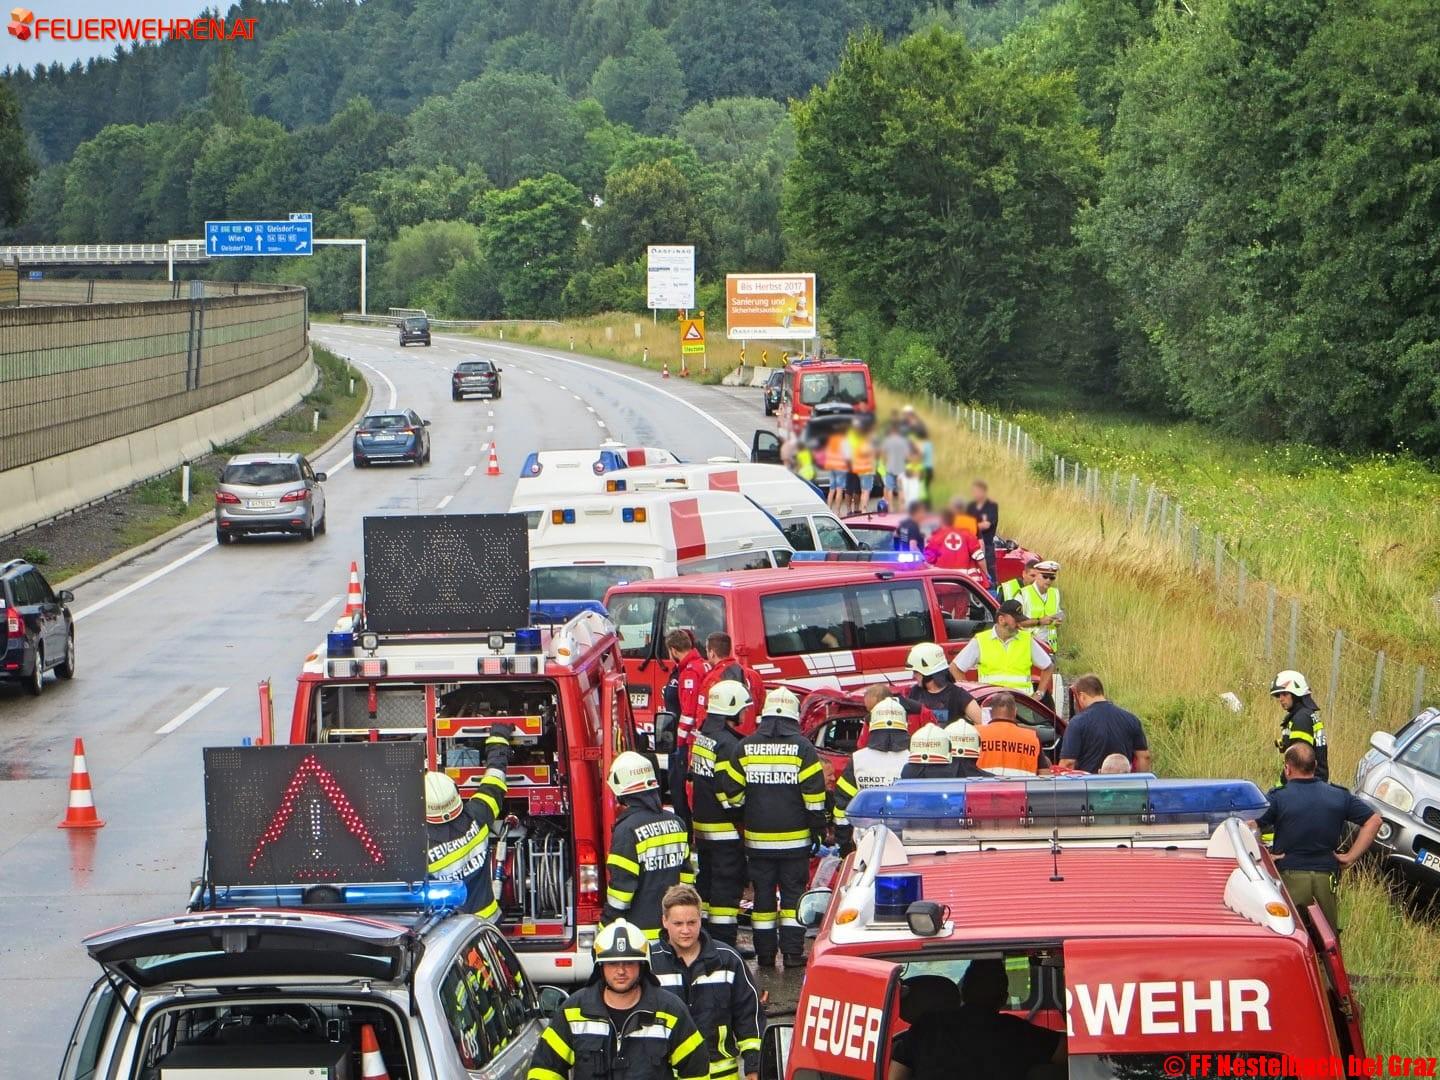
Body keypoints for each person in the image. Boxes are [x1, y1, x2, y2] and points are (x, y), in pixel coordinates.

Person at [716, 687, 827, 969]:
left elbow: (732, 793)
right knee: (792, 899)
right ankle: (791, 954)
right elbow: (814, 798)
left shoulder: (745, 747)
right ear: (793, 716)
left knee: (763, 900)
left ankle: (765, 956)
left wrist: (746, 815)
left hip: (757, 843)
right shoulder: (803, 749)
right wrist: (818, 830)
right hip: (796, 844)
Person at [526, 919, 710, 1080]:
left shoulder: (670, 1011)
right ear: (600, 967)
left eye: (629, 963)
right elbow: (544, 1069)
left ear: (642, 966)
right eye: (613, 963)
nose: (621, 971)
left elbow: (696, 1071)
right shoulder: (573, 1012)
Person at [1256, 744, 1380, 932]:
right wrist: (1349, 857)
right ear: (1314, 766)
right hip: (1325, 879)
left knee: (1289, 934)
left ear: (1287, 769)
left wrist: (1265, 855)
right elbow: (1374, 821)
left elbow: (1250, 825)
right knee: (1326, 942)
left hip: (1290, 879)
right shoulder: (1339, 796)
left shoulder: (1278, 798)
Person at [651, 885, 763, 1080]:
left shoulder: (728, 960)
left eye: (691, 922)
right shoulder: (649, 964)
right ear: (664, 922)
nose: (686, 930)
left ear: (700, 920)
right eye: (678, 923)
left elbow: (748, 1016)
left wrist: (754, 1066)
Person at [889, 959, 1065, 1080]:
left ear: (963, 991)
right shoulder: (1018, 1032)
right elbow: (1069, 1054)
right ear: (1003, 998)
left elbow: (895, 1076)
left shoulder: (925, 1027)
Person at [425, 723, 514, 919]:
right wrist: (499, 738)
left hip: (449, 932)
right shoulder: (479, 814)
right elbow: (494, 781)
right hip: (487, 923)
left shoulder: (419, 847)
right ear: (457, 792)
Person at [605, 751, 695, 940]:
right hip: (672, 933)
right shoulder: (676, 822)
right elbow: (686, 876)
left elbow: (621, 892)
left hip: (639, 934)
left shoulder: (627, 830)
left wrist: (606, 925)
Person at [686, 681, 749, 946]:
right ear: (732, 709)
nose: (746, 714)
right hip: (724, 830)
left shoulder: (705, 736)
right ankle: (724, 944)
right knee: (726, 887)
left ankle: (707, 939)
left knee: (708, 885)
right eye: (744, 708)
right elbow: (728, 791)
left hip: (703, 826)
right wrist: (742, 815)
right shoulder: (727, 744)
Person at [833, 698, 911, 851]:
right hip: (906, 841)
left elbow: (842, 804)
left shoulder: (858, 759)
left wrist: (843, 843)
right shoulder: (913, 758)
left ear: (872, 726)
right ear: (905, 726)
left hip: (865, 843)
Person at [951, 600, 1053, 697]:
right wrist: (970, 696)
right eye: (1016, 620)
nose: (1019, 624)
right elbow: (955, 668)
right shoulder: (981, 640)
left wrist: (1039, 693)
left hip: (1022, 705)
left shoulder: (1027, 639)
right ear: (1001, 619)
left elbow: (1048, 666)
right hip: (991, 703)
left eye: (1020, 620)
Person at [1057, 674, 1151, 774]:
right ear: (1101, 693)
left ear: (1082, 696)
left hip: (1088, 786)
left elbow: (1068, 763)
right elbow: (1144, 757)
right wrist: (1139, 782)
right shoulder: (1131, 719)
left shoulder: (1077, 722)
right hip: (1124, 785)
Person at [664, 629, 710, 820]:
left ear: (674, 650)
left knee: (679, 789)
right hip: (699, 739)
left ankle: (686, 831)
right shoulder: (703, 665)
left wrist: (678, 742)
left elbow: (689, 714)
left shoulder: (690, 672)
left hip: (687, 743)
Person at [697, 633, 766, 737]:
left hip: (725, 741)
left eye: (707, 651)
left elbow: (704, 716)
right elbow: (761, 710)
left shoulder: (712, 679)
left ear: (712, 653)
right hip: (749, 741)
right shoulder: (753, 675)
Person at [905, 641, 983, 726]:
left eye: (916, 672)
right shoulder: (915, 692)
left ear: (927, 671)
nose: (913, 676)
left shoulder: (957, 695)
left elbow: (981, 723)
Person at [1270, 670, 1329, 783]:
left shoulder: (1301, 719)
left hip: (1304, 787)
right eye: (1279, 695)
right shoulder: (1306, 715)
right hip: (1313, 784)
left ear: (1296, 694)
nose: (1281, 699)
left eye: (1285, 694)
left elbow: (1299, 761)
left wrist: (1282, 788)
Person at [976, 691, 1050, 776]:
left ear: (990, 713)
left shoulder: (976, 733)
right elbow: (1045, 776)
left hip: (984, 788)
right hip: (1022, 788)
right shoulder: (1031, 737)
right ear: (1015, 712)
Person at [923, 508, 988, 579]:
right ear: (954, 520)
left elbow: (927, 561)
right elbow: (980, 557)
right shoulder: (967, 535)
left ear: (941, 521)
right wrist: (986, 575)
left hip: (943, 583)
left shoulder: (936, 538)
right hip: (967, 584)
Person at [1018, 560, 1063, 649]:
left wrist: (1057, 622)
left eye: (1052, 578)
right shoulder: (1023, 594)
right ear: (1037, 575)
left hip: (1050, 644)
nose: (1048, 580)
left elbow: (1057, 613)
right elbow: (1016, 622)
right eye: (1045, 576)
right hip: (1030, 644)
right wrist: (1039, 621)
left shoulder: (1055, 593)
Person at [964, 481, 1000, 584]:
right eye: (973, 491)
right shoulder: (970, 506)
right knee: (972, 575)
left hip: (987, 546)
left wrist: (971, 526)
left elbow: (987, 525)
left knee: (989, 575)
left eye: (977, 491)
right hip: (970, 546)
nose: (974, 493)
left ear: (983, 491)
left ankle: (991, 595)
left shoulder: (992, 506)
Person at [847, 417, 877, 515]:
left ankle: (861, 509)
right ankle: (863, 510)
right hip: (867, 470)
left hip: (859, 470)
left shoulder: (858, 442)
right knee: (866, 491)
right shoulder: (868, 443)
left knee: (863, 490)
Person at [880, 424, 912, 506]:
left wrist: (885, 462)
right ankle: (901, 507)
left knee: (889, 489)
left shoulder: (887, 441)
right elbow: (907, 456)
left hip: (889, 467)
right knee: (901, 489)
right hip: (900, 468)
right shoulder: (903, 441)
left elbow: (883, 454)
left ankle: (891, 508)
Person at [823, 426, 850, 513]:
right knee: (839, 490)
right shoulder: (844, 441)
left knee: (831, 489)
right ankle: (838, 512)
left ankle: (828, 510)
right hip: (840, 467)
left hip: (831, 466)